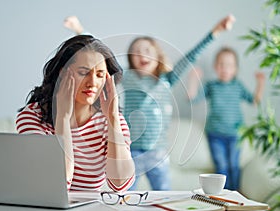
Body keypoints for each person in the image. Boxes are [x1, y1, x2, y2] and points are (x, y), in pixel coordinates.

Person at [63, 15, 235, 190]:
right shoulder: (127, 77)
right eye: (136, 51)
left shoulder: (167, 79)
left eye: (147, 50)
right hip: (132, 152)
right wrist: (79, 29)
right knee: (124, 195)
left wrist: (216, 31)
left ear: (157, 56)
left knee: (163, 194)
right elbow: (101, 54)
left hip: (158, 153)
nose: (141, 54)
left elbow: (191, 56)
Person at [16, 35, 135, 192]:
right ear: (62, 74)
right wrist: (63, 120)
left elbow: (120, 184)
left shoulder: (111, 120)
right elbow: (56, 184)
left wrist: (113, 120)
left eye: (100, 75)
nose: (92, 82)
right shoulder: (32, 116)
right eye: (83, 72)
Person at [187, 47, 265, 190]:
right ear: (215, 67)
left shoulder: (238, 86)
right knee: (221, 166)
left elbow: (254, 101)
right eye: (221, 64)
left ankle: (234, 195)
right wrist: (193, 79)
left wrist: (260, 83)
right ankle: (223, 196)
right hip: (215, 135)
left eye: (229, 65)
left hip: (235, 135)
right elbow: (192, 99)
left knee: (234, 166)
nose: (224, 68)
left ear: (235, 69)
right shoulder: (212, 86)